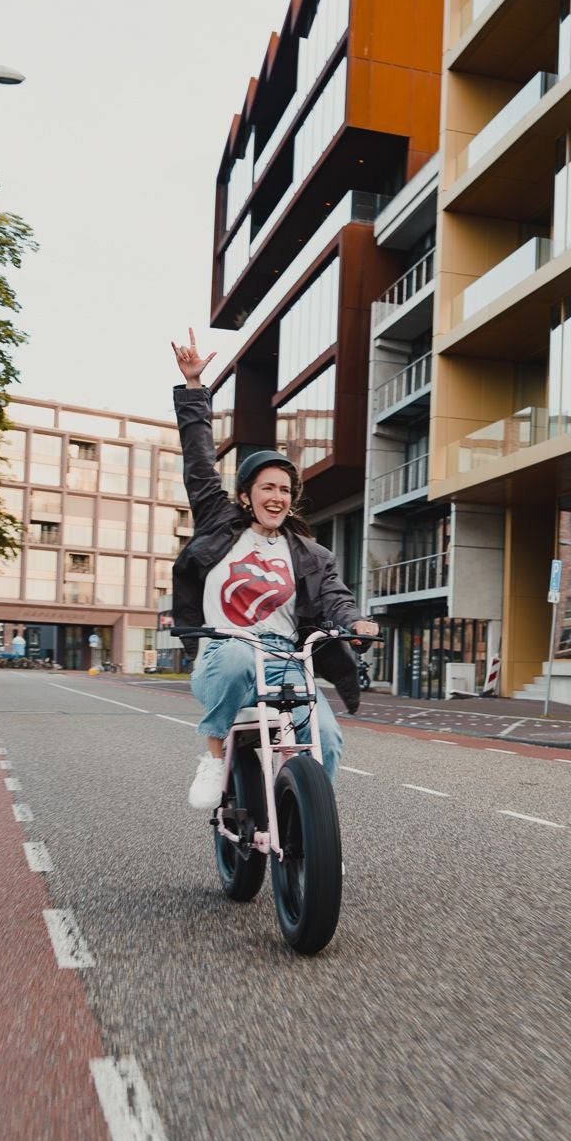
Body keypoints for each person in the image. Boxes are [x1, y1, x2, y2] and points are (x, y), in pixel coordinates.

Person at [169, 330, 379, 809]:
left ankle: (308, 833)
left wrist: (355, 623)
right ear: (246, 495)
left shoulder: (310, 553)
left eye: (284, 489)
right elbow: (199, 462)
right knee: (239, 656)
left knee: (326, 738)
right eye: (266, 487)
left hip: (287, 661)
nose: (276, 497)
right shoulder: (220, 525)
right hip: (225, 653)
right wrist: (194, 389)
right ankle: (213, 752)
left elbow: (335, 599)